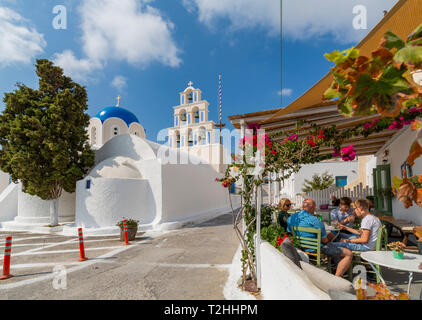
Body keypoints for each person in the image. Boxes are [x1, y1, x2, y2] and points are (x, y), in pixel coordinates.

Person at [323, 199, 382, 278]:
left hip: (365, 246)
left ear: (360, 208)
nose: (354, 211)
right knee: (339, 236)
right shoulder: (373, 218)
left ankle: (341, 268)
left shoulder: (367, 220)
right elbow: (360, 233)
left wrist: (348, 240)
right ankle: (341, 264)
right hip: (370, 245)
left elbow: (364, 240)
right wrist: (345, 228)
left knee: (331, 245)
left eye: (355, 209)